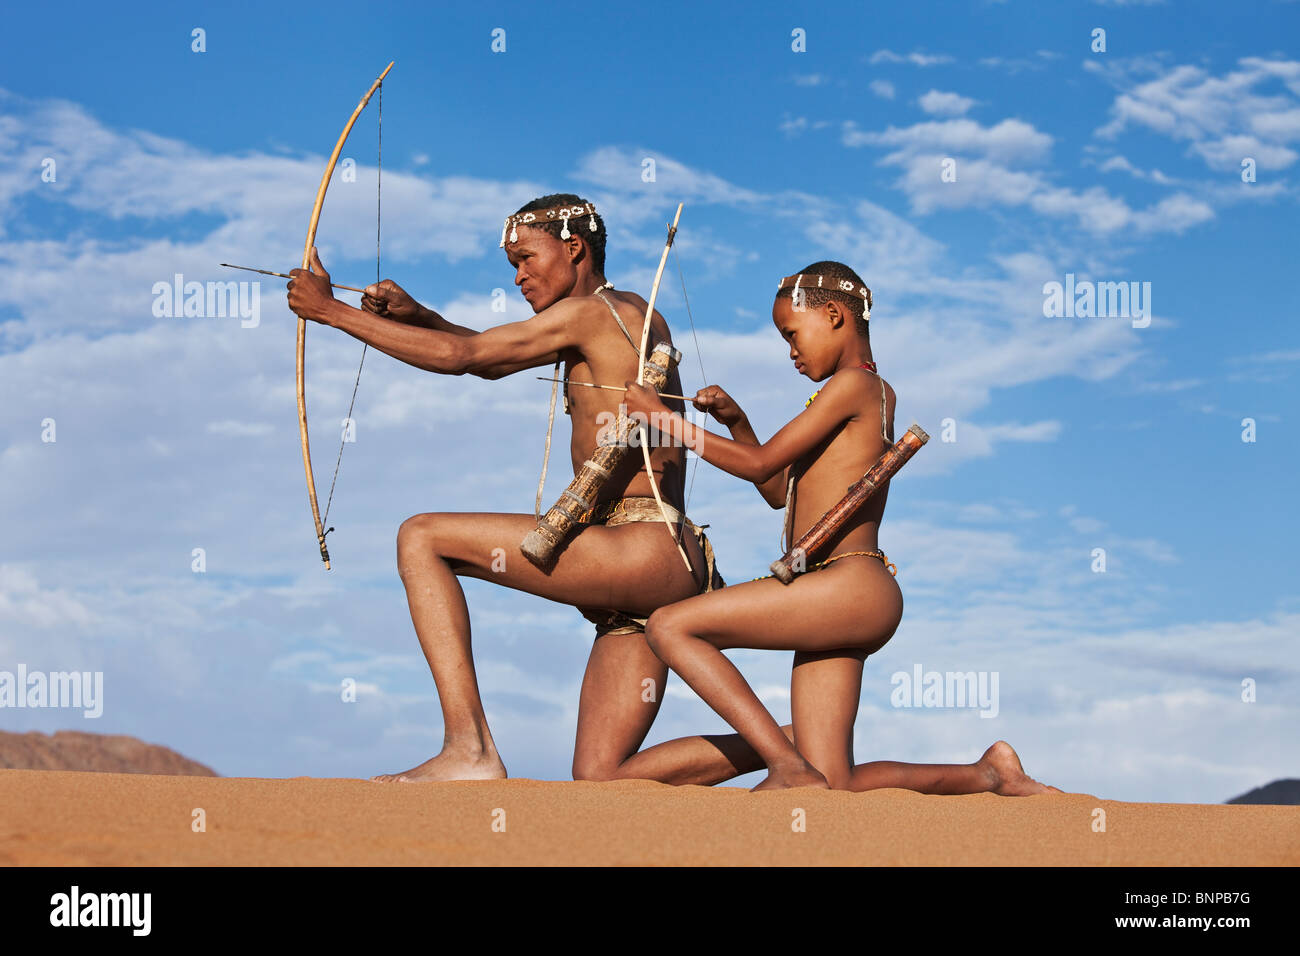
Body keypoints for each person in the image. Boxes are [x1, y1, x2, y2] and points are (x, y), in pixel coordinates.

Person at [286, 193, 770, 784]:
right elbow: (490, 357)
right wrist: (421, 318)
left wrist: (330, 312)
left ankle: (469, 749)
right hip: (661, 571)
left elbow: (468, 357)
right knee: (601, 779)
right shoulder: (625, 312)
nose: (518, 276)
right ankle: (799, 741)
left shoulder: (593, 312)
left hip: (639, 545)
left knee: (423, 538)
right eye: (511, 266)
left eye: (525, 258)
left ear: (573, 249)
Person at [623, 260, 1058, 794]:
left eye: (792, 334)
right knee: (834, 783)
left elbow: (758, 466)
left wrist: (663, 418)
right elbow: (775, 489)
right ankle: (989, 774)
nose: (791, 352)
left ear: (833, 316)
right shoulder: (855, 393)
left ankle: (783, 764)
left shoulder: (856, 385)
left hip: (844, 584)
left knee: (669, 626)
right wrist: (736, 422)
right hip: (842, 594)